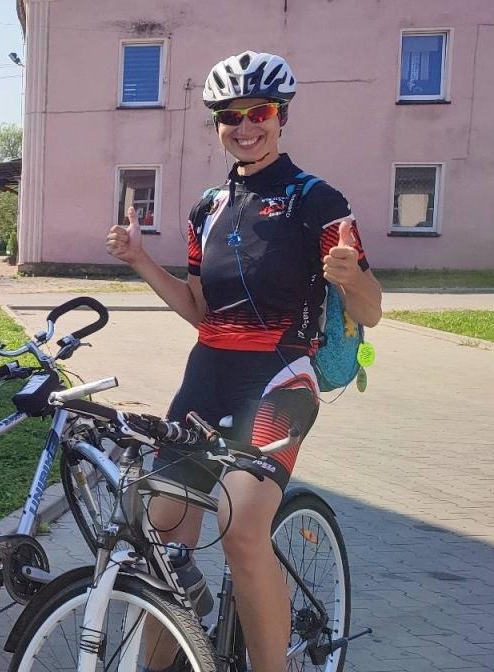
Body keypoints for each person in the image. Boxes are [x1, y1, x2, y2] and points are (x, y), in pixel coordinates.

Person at [106, 51, 381, 672]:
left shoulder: (317, 199)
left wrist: (352, 276)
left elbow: (373, 308)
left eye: (257, 112)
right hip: (208, 373)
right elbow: (202, 310)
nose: (244, 126)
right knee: (161, 528)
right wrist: (141, 261)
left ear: (280, 117)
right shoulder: (208, 207)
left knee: (240, 527)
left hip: (283, 378)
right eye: (229, 116)